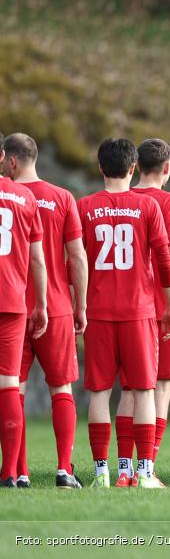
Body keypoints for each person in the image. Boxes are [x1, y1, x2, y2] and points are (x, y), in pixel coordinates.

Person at [78, 138, 170, 489]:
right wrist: (168, 306)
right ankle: (145, 473)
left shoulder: (85, 206)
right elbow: (164, 261)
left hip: (99, 311)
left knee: (100, 393)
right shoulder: (147, 207)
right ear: (133, 167)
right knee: (144, 390)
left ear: (101, 168)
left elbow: (75, 261)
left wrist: (79, 305)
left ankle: (104, 473)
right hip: (139, 310)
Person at [114, 138, 170, 487]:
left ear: (135, 165)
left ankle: (123, 471)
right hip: (161, 305)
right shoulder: (167, 201)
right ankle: (147, 469)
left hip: (126, 303)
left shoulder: (122, 197)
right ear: (167, 168)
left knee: (131, 389)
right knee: (162, 384)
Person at [1, 133, 86, 489]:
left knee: (12, 389)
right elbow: (77, 256)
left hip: (17, 303)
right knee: (61, 388)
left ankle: (18, 472)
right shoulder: (62, 197)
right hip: (57, 307)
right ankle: (64, 468)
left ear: (12, 161)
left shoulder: (14, 194)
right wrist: (80, 305)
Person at [0, 134, 48, 488]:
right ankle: (12, 474)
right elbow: (37, 260)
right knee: (8, 385)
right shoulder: (24, 196)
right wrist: (42, 304)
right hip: (14, 302)